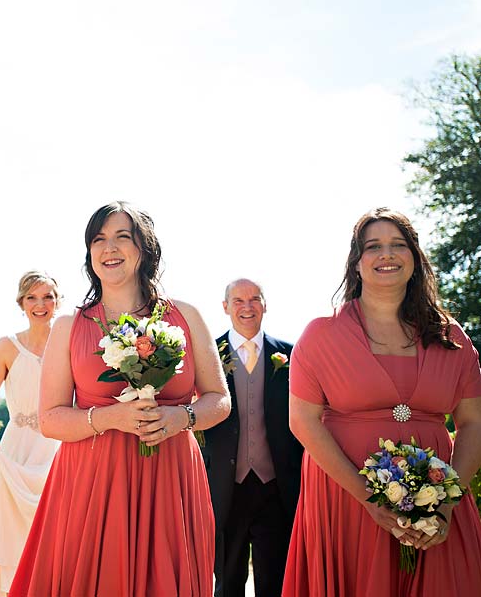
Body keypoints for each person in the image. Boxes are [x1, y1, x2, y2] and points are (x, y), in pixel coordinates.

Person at [9, 201, 231, 596]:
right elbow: (51, 419)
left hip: (170, 478)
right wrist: (112, 418)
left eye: (121, 237)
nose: (109, 248)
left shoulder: (185, 315)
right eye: (99, 239)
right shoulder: (68, 327)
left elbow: (219, 399)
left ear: (143, 249)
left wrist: (182, 418)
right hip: (91, 483)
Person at [283, 207, 481, 596]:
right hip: (346, 504)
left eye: (397, 245)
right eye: (373, 246)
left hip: (439, 507)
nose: (386, 255)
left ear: (415, 258)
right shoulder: (322, 334)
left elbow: (473, 422)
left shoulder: (451, 337)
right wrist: (368, 498)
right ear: (356, 263)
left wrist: (445, 505)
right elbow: (302, 421)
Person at [0, 271, 63, 597]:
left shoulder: (68, 345)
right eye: (33, 297)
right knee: (10, 538)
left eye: (48, 296)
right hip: (15, 454)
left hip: (57, 452)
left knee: (54, 536)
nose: (40, 304)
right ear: (21, 302)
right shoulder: (7, 346)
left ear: (57, 301)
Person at [202, 279, 302, 597]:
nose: (247, 307)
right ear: (225, 307)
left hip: (276, 486)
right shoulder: (208, 356)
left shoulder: (290, 354)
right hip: (224, 485)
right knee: (227, 580)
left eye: (254, 299)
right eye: (238, 300)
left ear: (265, 304)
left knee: (273, 580)